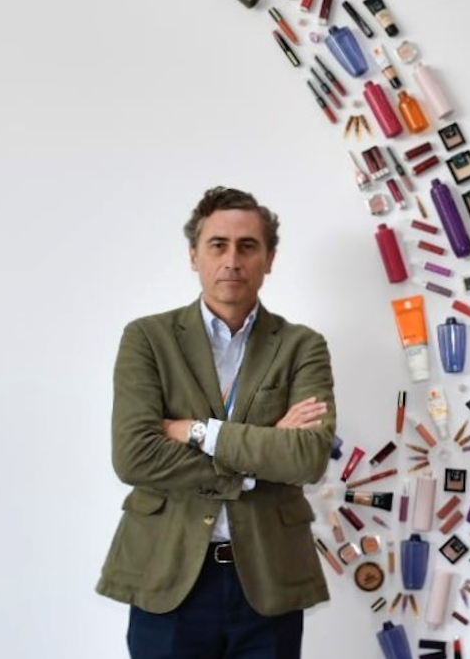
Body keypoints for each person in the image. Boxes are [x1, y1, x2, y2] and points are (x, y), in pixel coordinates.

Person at [97, 186, 337, 659]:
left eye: (247, 246)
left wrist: (198, 431)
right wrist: (260, 454)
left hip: (269, 578)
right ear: (194, 255)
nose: (232, 260)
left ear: (269, 259)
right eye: (217, 245)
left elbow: (308, 458)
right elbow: (134, 456)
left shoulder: (302, 346)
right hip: (168, 575)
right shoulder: (148, 338)